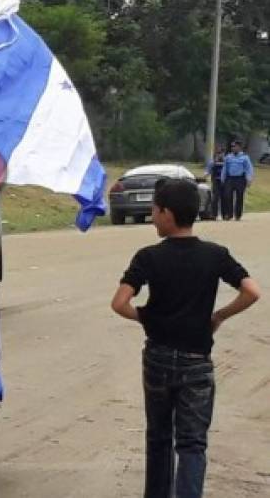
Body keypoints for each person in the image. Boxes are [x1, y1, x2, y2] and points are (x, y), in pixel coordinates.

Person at [110, 179, 260, 498]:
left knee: (159, 437)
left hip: (158, 358)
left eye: (155, 209)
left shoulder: (148, 257)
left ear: (166, 213)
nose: (153, 215)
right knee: (192, 443)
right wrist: (218, 316)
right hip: (197, 361)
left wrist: (147, 317)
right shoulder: (216, 255)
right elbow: (251, 292)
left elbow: (119, 303)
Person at [220, 140, 254, 221]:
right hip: (230, 178)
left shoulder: (245, 157)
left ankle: (238, 215)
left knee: (239, 197)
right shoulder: (228, 157)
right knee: (227, 196)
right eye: (232, 146)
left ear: (239, 147)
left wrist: (249, 179)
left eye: (234, 146)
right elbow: (225, 168)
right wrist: (222, 178)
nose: (232, 148)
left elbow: (249, 169)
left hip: (240, 179)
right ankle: (229, 214)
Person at [204, 147, 224, 219]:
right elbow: (208, 170)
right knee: (215, 198)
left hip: (224, 182)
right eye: (217, 153)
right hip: (216, 181)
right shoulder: (212, 162)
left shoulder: (226, 162)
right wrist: (206, 174)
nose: (219, 155)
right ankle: (214, 214)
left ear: (223, 153)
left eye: (220, 153)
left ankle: (225, 214)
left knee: (225, 198)